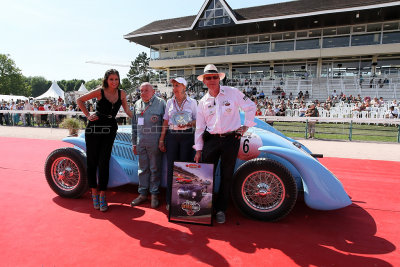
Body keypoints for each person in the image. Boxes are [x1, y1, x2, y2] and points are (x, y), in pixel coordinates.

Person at [193, 64, 256, 224]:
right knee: (206, 177)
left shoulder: (232, 92)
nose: (212, 80)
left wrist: (246, 126)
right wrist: (198, 149)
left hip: (231, 139)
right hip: (211, 141)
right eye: (209, 78)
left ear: (219, 78)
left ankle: (221, 209)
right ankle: (206, 209)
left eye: (215, 77)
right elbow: (200, 128)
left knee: (227, 175)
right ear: (204, 81)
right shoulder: (202, 101)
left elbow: (250, 106)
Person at [77, 69, 133, 212]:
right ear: (106, 80)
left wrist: (142, 117)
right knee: (92, 161)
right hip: (95, 127)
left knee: (104, 162)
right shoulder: (100, 91)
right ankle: (94, 193)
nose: (114, 82)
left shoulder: (122, 94)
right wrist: (88, 115)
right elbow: (80, 100)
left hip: (110, 129)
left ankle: (103, 194)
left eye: (116, 79)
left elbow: (127, 111)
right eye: (111, 79)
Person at [158, 77, 197, 210]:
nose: (174, 88)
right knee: (171, 168)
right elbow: (165, 122)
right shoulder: (169, 102)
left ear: (184, 87)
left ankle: (184, 199)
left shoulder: (193, 102)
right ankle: (170, 200)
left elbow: (198, 121)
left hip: (187, 136)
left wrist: (188, 123)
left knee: (185, 169)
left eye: (177, 85)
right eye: (173, 85)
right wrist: (162, 139)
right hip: (172, 136)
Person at [130, 82, 166, 209]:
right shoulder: (137, 104)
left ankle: (154, 194)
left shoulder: (161, 103)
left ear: (153, 92)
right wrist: (134, 143)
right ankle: (142, 193)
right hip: (141, 142)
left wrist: (162, 141)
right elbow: (134, 126)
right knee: (142, 169)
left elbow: (165, 125)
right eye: (141, 90)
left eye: (146, 90)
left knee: (155, 168)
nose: (143, 93)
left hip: (155, 142)